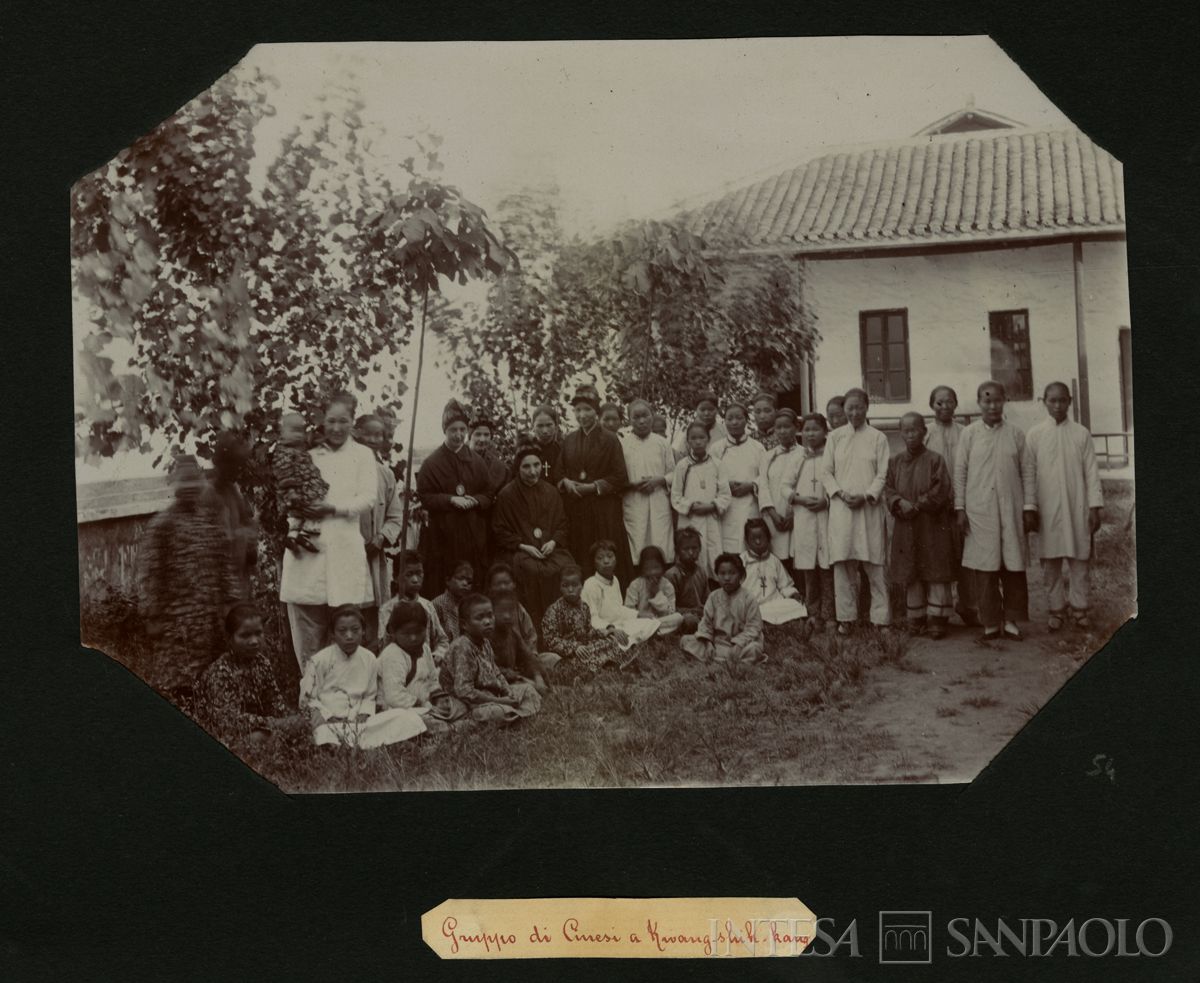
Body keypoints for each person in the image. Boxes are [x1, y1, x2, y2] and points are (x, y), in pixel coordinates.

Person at [279, 394, 378, 668]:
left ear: (352, 422)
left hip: (344, 546)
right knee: (308, 622)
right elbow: (291, 498)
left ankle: (346, 689)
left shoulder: (362, 455)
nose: (336, 428)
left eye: (343, 421)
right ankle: (311, 690)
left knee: (345, 621)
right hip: (308, 549)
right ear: (321, 421)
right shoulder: (308, 456)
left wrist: (332, 508)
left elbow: (368, 497)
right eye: (331, 421)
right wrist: (295, 526)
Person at [137, 454, 238, 703]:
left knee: (213, 680)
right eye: (185, 481)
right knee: (177, 686)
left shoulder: (209, 521)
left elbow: (224, 566)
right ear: (175, 484)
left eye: (195, 481)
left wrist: (231, 606)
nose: (191, 487)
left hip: (209, 619)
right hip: (176, 623)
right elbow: (150, 574)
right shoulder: (162, 525)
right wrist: (153, 616)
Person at [954, 381, 1037, 641]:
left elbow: (1028, 471)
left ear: (1005, 401)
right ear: (978, 403)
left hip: (1011, 507)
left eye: (997, 400)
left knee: (1013, 564)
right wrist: (960, 508)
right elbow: (960, 472)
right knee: (985, 567)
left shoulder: (1016, 434)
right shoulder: (969, 435)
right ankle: (990, 621)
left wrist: (1028, 506)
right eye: (986, 400)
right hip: (979, 510)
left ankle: (1011, 620)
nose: (992, 405)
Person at [1025, 382, 1104, 631]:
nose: (1057, 405)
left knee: (1079, 559)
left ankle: (1080, 608)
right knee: (1050, 562)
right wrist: (1030, 507)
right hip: (1047, 509)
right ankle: (1056, 608)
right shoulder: (1034, 435)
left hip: (1077, 505)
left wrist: (1094, 506)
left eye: (1062, 400)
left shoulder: (1081, 433)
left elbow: (1092, 472)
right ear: (1044, 402)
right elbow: (1029, 473)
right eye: (1052, 400)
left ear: (1070, 401)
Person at [299, 605, 428, 747]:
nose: (349, 636)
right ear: (332, 634)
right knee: (322, 732)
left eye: (355, 630)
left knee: (406, 717)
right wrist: (327, 717)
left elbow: (370, 695)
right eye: (342, 631)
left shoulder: (369, 659)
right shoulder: (319, 660)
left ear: (363, 631)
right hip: (329, 723)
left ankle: (354, 744)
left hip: (360, 724)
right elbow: (308, 698)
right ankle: (341, 746)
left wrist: (363, 714)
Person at [820, 388, 891, 634]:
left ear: (866, 407)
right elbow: (826, 471)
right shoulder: (835, 437)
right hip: (842, 509)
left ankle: (880, 620)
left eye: (858, 407)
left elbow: (882, 473)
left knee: (875, 563)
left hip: (869, 509)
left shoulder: (878, 438)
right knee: (843, 564)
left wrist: (866, 495)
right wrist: (839, 493)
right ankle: (846, 619)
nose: (854, 413)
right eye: (849, 408)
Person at [194, 603, 308, 747]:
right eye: (245, 635)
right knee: (259, 738)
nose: (254, 641)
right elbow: (229, 721)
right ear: (229, 638)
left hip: (259, 726)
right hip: (226, 734)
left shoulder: (262, 663)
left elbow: (274, 704)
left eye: (258, 633)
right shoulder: (220, 672)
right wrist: (276, 724)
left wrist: (293, 720)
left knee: (304, 727)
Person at [885, 413, 957, 638]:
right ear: (900, 433)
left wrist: (917, 505)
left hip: (931, 523)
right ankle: (916, 617)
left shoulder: (935, 459)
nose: (910, 434)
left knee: (935, 568)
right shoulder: (894, 462)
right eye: (905, 430)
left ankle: (938, 618)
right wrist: (898, 502)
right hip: (906, 525)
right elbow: (888, 489)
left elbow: (941, 489)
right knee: (911, 569)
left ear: (924, 432)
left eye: (915, 429)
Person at [555, 384, 633, 586]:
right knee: (581, 552)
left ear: (596, 412)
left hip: (603, 510)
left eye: (587, 410)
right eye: (578, 410)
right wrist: (565, 481)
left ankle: (611, 599)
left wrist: (593, 486)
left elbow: (620, 477)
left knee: (604, 555)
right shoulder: (569, 440)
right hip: (578, 510)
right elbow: (559, 470)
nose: (582, 415)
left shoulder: (610, 439)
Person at [417, 399, 494, 596]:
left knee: (472, 585)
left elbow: (488, 494)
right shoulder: (431, 463)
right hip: (443, 536)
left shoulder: (477, 462)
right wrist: (450, 500)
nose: (459, 435)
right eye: (453, 430)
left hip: (472, 536)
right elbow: (425, 496)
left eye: (462, 429)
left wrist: (475, 500)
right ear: (445, 430)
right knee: (446, 583)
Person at [491, 444, 574, 625]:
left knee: (565, 566)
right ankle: (534, 627)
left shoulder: (551, 491)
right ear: (518, 468)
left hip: (549, 550)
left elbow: (562, 524)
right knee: (530, 571)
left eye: (536, 465)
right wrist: (523, 546)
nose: (533, 471)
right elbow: (499, 530)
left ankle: (563, 624)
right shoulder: (507, 495)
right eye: (526, 467)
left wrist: (553, 542)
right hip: (519, 550)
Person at [440, 594, 542, 722]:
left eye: (490, 615)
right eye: (480, 618)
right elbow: (464, 692)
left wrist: (508, 693)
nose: (488, 621)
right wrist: (499, 700)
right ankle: (512, 714)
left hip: (490, 696)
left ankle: (513, 713)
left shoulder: (485, 642)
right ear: (464, 625)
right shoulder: (462, 646)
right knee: (498, 712)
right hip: (465, 704)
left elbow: (496, 673)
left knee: (528, 690)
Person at [925, 385, 977, 626]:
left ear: (956, 404)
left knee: (968, 556)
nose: (944, 407)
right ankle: (939, 613)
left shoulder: (967, 432)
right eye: (939, 402)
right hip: (936, 508)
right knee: (939, 559)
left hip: (964, 504)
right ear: (931, 406)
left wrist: (963, 503)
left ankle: (968, 606)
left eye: (949, 402)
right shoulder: (925, 434)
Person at [375, 601, 465, 730]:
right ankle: (449, 728)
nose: (413, 638)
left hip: (426, 705)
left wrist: (438, 699)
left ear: (426, 629)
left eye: (418, 632)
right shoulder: (392, 655)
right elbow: (394, 697)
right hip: (399, 709)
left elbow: (432, 679)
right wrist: (424, 704)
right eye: (406, 634)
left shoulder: (425, 649)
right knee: (418, 721)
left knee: (460, 706)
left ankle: (449, 724)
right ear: (393, 632)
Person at [355, 413, 404, 644]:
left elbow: (396, 516)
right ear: (356, 434)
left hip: (374, 557)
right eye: (368, 434)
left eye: (378, 435)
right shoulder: (342, 472)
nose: (372, 439)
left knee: (373, 618)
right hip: (347, 558)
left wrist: (381, 537)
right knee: (348, 614)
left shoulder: (385, 475)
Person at [541, 565, 635, 672]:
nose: (570, 589)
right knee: (581, 659)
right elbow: (550, 640)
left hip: (586, 649)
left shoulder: (584, 607)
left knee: (612, 642)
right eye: (565, 586)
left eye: (575, 585)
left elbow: (588, 631)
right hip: (567, 655)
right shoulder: (554, 610)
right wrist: (574, 647)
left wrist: (608, 632)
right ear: (560, 587)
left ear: (581, 586)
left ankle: (602, 664)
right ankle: (600, 666)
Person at [671, 421, 731, 581]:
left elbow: (725, 493)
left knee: (713, 553)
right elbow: (675, 495)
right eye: (693, 438)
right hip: (691, 519)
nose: (698, 441)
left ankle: (713, 588)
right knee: (692, 554)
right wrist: (690, 506)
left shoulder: (717, 464)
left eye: (701, 437)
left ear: (708, 439)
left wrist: (712, 505)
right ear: (688, 441)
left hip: (711, 518)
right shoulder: (682, 466)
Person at [620, 398, 677, 566]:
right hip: (634, 502)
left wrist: (660, 480)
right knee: (636, 545)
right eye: (636, 417)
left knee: (661, 543)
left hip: (658, 500)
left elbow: (673, 473)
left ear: (652, 415)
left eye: (645, 415)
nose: (641, 421)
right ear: (629, 419)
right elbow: (618, 478)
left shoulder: (662, 443)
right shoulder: (623, 445)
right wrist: (633, 484)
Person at [202, 431, 258, 599]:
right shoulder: (208, 495)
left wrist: (250, 530)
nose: (239, 470)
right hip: (218, 583)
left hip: (237, 579)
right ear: (223, 465)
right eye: (236, 465)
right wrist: (242, 535)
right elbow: (210, 542)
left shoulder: (233, 491)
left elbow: (246, 523)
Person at [791, 413, 834, 633]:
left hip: (826, 518)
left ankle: (829, 616)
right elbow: (784, 487)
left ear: (825, 432)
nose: (810, 434)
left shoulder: (831, 455)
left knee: (827, 568)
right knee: (809, 569)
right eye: (806, 430)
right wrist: (800, 499)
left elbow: (837, 483)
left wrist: (826, 501)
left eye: (815, 429)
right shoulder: (798, 458)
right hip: (805, 519)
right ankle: (813, 615)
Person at [680, 553, 765, 663]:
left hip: (741, 644)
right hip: (718, 644)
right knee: (686, 640)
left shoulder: (749, 598)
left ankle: (721, 660)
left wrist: (738, 644)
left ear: (741, 575)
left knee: (754, 649)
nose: (727, 578)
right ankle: (725, 659)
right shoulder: (713, 597)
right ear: (717, 575)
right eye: (722, 573)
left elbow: (753, 627)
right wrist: (708, 643)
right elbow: (706, 623)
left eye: (732, 573)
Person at [581, 540, 661, 649]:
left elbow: (619, 609)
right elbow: (592, 618)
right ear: (594, 563)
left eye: (610, 556)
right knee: (617, 641)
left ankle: (632, 640)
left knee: (651, 622)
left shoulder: (615, 580)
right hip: (604, 629)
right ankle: (630, 642)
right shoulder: (590, 584)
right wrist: (611, 629)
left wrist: (638, 614)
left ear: (616, 559)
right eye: (600, 558)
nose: (606, 561)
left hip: (621, 625)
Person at [710, 403, 766, 554]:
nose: (734, 422)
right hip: (727, 509)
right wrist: (726, 486)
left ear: (746, 420)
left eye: (739, 418)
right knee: (728, 551)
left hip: (750, 506)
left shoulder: (758, 448)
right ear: (724, 421)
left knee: (750, 548)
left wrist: (751, 485)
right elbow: (709, 476)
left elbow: (766, 476)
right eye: (730, 418)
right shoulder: (716, 449)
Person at [273, 412, 330, 555]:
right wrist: (291, 491)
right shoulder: (283, 453)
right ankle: (306, 529)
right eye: (293, 431)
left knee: (299, 514)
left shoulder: (299, 448)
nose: (298, 435)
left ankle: (294, 536)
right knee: (305, 507)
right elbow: (284, 473)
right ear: (282, 433)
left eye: (301, 431)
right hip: (296, 488)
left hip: (303, 485)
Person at [377, 551, 450, 664]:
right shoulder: (387, 609)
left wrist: (437, 655)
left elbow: (442, 640)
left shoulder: (427, 606)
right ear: (396, 578)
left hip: (424, 666)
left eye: (419, 573)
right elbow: (383, 647)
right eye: (409, 574)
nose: (415, 579)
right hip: (397, 666)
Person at [757, 408, 804, 563]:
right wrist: (773, 515)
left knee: (799, 559)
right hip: (774, 517)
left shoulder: (805, 454)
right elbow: (762, 486)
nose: (782, 431)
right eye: (779, 427)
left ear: (796, 428)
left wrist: (794, 515)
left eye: (787, 427)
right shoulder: (768, 456)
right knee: (777, 561)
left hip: (798, 516)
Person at [741, 518, 806, 625]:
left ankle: (766, 619)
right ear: (747, 541)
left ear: (768, 538)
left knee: (796, 605)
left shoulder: (774, 560)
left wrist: (793, 594)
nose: (758, 542)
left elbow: (784, 585)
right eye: (753, 539)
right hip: (751, 605)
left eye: (761, 538)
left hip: (773, 604)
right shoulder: (742, 561)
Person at [489, 589, 552, 693]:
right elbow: (489, 667)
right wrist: (516, 677)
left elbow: (528, 657)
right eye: (502, 611)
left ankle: (549, 689)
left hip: (514, 677)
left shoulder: (513, 633)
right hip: (497, 681)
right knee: (529, 688)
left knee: (541, 673)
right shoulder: (488, 637)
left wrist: (538, 677)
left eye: (511, 611)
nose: (507, 616)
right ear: (492, 613)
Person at [624, 545, 684, 635]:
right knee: (627, 623)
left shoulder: (667, 586)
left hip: (661, 621)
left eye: (656, 567)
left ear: (663, 567)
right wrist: (641, 615)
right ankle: (653, 632)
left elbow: (671, 612)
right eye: (647, 568)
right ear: (642, 569)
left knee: (678, 618)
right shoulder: (636, 585)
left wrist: (657, 593)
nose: (652, 572)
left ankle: (649, 632)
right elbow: (628, 610)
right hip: (641, 621)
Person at [664, 526, 711, 635]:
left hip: (701, 614)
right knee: (690, 621)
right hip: (682, 616)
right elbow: (670, 608)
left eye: (694, 548)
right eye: (686, 549)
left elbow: (707, 599)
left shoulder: (701, 572)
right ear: (677, 551)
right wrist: (692, 611)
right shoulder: (672, 575)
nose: (691, 552)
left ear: (700, 549)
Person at [672, 390, 728, 460]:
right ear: (696, 410)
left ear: (717, 410)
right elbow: (681, 456)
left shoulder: (724, 431)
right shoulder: (690, 432)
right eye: (702, 410)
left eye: (711, 409)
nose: (706, 413)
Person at [432, 559, 475, 642]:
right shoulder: (437, 604)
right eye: (461, 579)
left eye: (469, 581)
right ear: (448, 580)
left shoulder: (469, 605)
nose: (465, 583)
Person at [529, 404, 561, 483]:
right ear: (533, 427)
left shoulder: (562, 450)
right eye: (540, 426)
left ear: (556, 426)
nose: (545, 431)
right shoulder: (525, 450)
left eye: (549, 425)